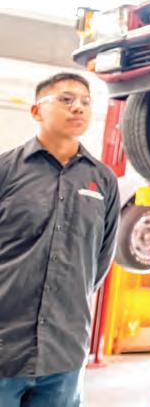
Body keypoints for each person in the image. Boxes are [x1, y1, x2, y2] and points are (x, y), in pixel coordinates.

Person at [0, 72, 119, 406]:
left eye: (85, 102)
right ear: (37, 110)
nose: (77, 107)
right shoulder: (6, 171)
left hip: (64, 352)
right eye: (66, 100)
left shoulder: (102, 180)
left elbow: (99, 262)